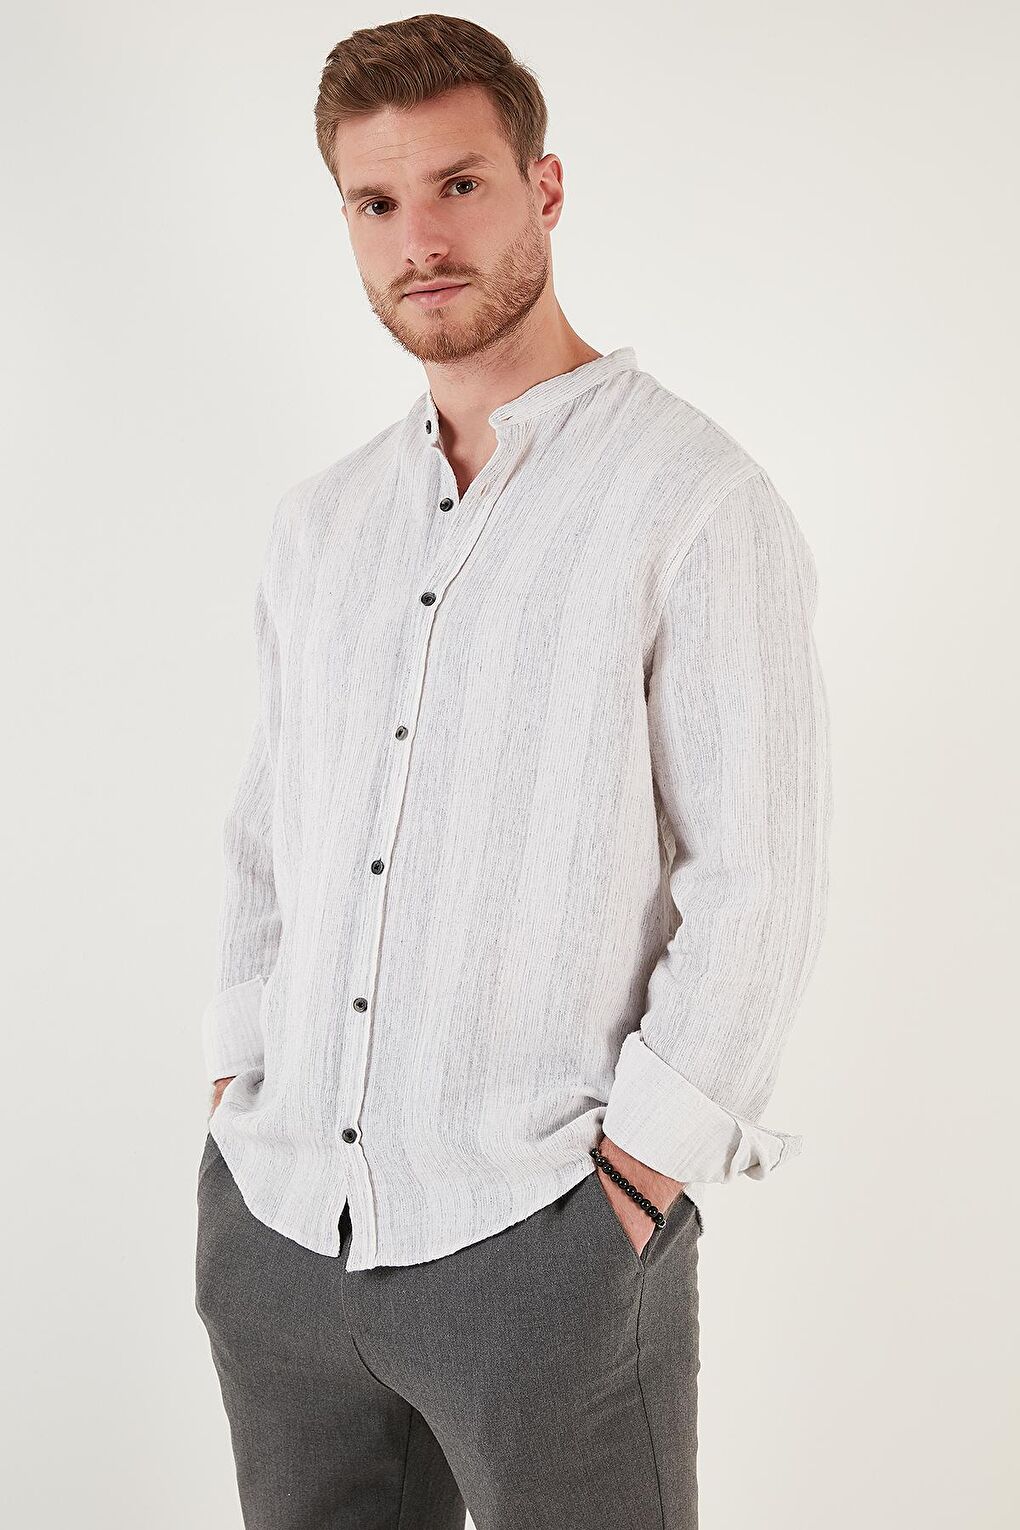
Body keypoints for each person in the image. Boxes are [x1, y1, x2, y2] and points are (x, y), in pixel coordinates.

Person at [194, 13, 833, 1529]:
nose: (420, 239)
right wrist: (238, 1080)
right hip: (279, 1229)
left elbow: (761, 872)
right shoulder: (320, 525)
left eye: (459, 185)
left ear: (545, 188)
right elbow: (270, 835)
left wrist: (635, 1177)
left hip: (538, 1234)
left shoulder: (693, 500)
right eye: (376, 201)